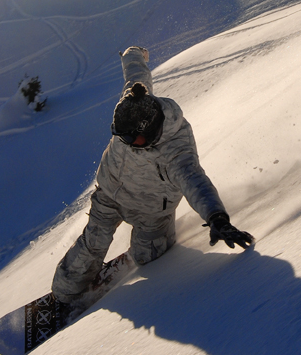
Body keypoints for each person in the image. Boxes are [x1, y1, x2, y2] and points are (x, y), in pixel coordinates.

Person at [52, 46, 254, 310]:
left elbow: (196, 182)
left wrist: (217, 217)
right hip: (110, 195)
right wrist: (133, 53)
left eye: (129, 137)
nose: (124, 141)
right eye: (119, 135)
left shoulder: (176, 150)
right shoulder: (134, 103)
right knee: (93, 242)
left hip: (151, 211)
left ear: (147, 129)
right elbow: (136, 74)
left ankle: (144, 252)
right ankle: (62, 298)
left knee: (149, 258)